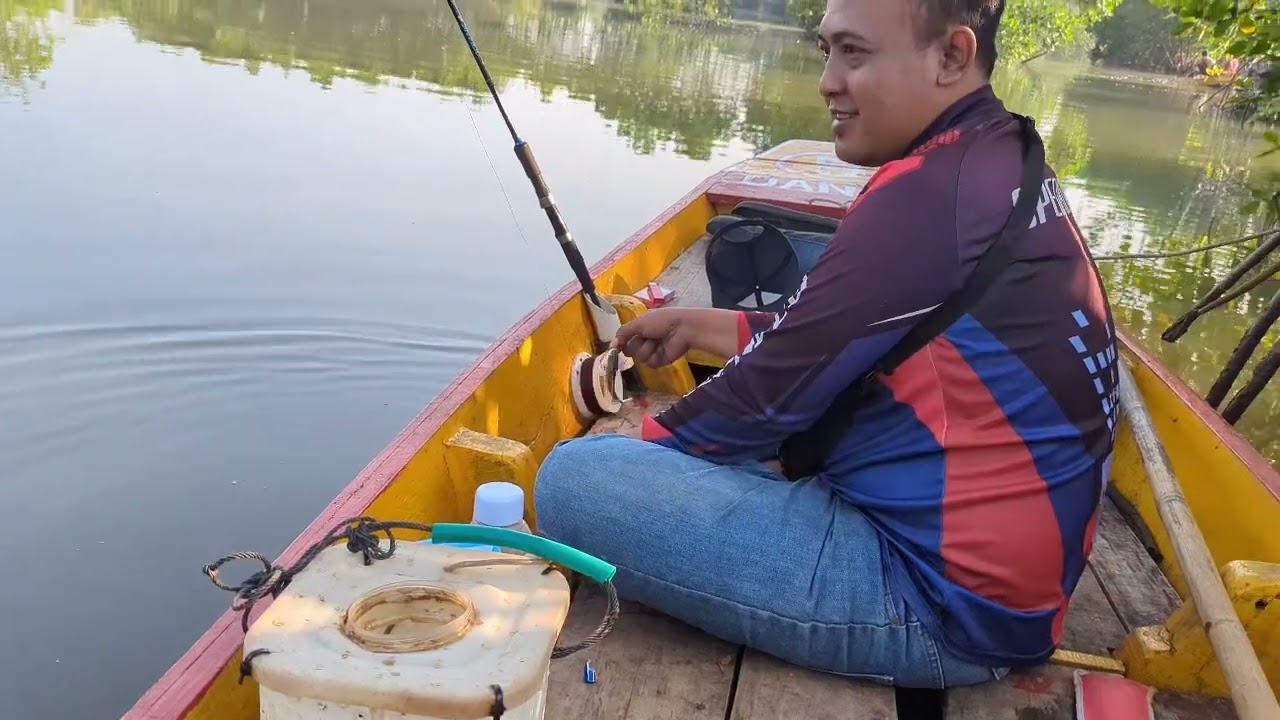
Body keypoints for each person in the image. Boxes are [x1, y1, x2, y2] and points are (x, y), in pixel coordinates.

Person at [534, 0, 1118, 689]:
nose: (828, 81)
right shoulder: (1003, 159)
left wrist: (638, 454)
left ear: (952, 57)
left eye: (855, 53)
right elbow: (866, 344)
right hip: (1009, 587)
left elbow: (757, 407)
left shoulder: (928, 196)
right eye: (826, 51)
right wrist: (705, 327)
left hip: (938, 603)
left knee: (575, 478)